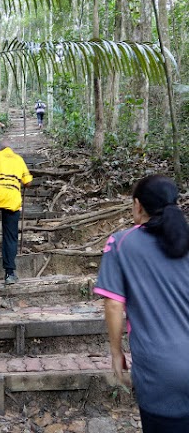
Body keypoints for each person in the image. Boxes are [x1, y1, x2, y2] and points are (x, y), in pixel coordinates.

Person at [94, 175, 189, 433]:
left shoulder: (122, 243)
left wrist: (116, 353)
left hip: (162, 370)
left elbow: (113, 304)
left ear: (138, 205)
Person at [0, 140, 33, 285]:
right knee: (10, 236)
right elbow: (28, 182)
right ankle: (9, 273)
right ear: (11, 149)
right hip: (12, 198)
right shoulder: (19, 159)